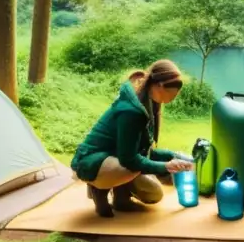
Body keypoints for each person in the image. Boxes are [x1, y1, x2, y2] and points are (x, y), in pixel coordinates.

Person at [71, 60, 194, 217]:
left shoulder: (150, 102)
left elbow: (143, 151)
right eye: (174, 91)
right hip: (92, 161)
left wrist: (173, 156)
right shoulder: (133, 111)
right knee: (130, 167)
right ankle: (98, 189)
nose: (175, 96)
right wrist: (166, 166)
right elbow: (129, 160)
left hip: (118, 156)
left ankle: (121, 198)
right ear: (160, 85)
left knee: (153, 194)